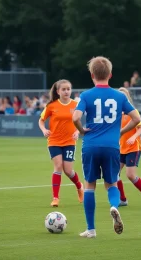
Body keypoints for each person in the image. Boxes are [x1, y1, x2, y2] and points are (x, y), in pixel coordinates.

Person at [73, 56, 141, 238]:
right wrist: (120, 131)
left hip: (91, 145)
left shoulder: (86, 95)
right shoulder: (119, 96)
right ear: (110, 75)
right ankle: (113, 206)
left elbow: (75, 117)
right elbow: (136, 118)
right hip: (112, 146)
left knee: (89, 185)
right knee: (111, 183)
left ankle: (91, 229)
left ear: (92, 75)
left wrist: (82, 130)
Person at [39, 79, 84, 207]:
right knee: (58, 166)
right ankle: (55, 198)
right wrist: (44, 129)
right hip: (54, 141)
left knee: (68, 170)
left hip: (69, 141)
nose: (66, 91)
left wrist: (77, 131)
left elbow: (78, 120)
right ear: (58, 91)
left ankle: (79, 187)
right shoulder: (51, 105)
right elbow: (41, 120)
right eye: (63, 89)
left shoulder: (76, 104)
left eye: (68, 89)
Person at [117, 87, 141, 210]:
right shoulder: (116, 113)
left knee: (130, 175)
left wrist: (133, 137)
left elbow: (140, 129)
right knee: (114, 175)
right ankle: (123, 199)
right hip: (120, 148)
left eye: (123, 96)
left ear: (127, 98)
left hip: (133, 147)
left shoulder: (133, 112)